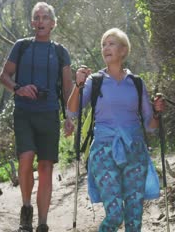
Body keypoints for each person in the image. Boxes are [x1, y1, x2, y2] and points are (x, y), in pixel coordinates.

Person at [67, 28, 165, 231]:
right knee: (114, 214)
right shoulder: (94, 81)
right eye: (103, 44)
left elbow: (150, 126)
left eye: (111, 43)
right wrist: (77, 85)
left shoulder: (137, 83)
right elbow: (72, 111)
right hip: (103, 151)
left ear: (123, 50)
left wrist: (156, 113)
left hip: (135, 150)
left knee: (134, 216)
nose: (106, 48)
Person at [0, 2, 74, 232]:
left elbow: (67, 89)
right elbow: (4, 75)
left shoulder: (61, 52)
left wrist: (69, 117)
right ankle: (26, 210)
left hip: (49, 114)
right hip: (24, 112)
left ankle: (42, 224)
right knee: (26, 157)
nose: (40, 21)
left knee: (45, 168)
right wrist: (18, 88)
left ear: (53, 23)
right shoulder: (21, 47)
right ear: (32, 22)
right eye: (37, 17)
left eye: (45, 18)